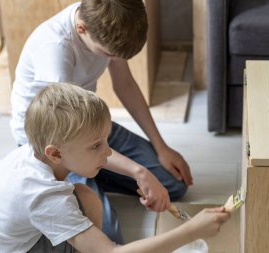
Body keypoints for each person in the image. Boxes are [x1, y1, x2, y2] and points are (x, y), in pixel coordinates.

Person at [10, 0, 193, 243]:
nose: (111, 59)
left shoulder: (111, 18)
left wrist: (161, 147)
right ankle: (88, 180)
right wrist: (137, 171)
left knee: (173, 185)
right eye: (108, 55)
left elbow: (125, 85)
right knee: (108, 235)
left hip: (88, 125)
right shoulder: (55, 49)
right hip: (56, 146)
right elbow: (68, 138)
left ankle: (95, 175)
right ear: (82, 29)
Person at [0, 83, 229, 253]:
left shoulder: (34, 152)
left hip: (18, 238)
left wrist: (139, 173)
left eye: (106, 140)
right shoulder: (43, 195)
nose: (107, 152)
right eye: (96, 145)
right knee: (103, 236)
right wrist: (192, 231)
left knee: (85, 195)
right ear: (56, 153)